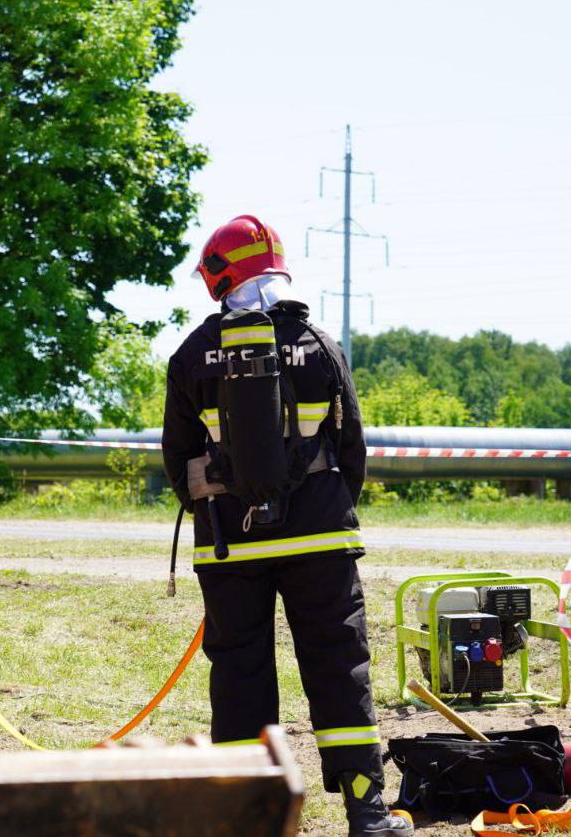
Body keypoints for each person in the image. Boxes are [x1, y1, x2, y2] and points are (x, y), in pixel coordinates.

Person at [161, 215, 409, 837]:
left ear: (221, 277)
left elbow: (177, 459)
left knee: (240, 673)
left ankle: (247, 819)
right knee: (337, 666)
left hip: (229, 542)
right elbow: (351, 449)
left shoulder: (192, 354)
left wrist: (222, 512)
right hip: (321, 537)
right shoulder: (320, 343)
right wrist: (322, 508)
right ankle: (366, 811)